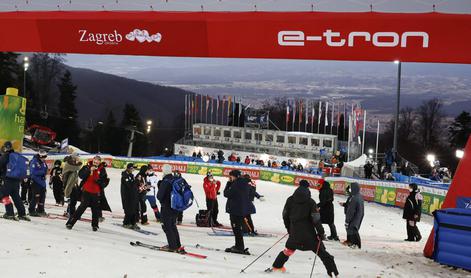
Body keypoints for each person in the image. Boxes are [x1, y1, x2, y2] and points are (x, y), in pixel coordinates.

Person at [267, 180, 339, 277]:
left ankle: (277, 266)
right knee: (322, 252)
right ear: (308, 188)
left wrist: (289, 229)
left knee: (289, 250)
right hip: (309, 236)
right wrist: (321, 233)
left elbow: (285, 215)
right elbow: (316, 219)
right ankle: (333, 272)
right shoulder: (310, 202)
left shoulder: (290, 200)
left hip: (295, 233)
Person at [66, 156, 108, 231]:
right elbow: (81, 175)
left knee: (95, 209)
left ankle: (95, 225)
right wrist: (89, 170)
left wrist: (99, 181)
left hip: (96, 192)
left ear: (99, 162)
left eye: (97, 162)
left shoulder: (102, 169)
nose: (96, 163)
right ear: (93, 161)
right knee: (82, 207)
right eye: (95, 161)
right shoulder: (87, 166)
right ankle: (71, 222)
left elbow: (105, 181)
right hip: (86, 191)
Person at [157, 164, 184, 253]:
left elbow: (159, 196)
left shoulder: (165, 181)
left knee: (167, 227)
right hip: (175, 207)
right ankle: (177, 244)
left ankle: (172, 246)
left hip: (167, 208)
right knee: (173, 226)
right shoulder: (175, 179)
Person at [0, 141, 30, 221]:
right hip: (16, 180)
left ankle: (10, 213)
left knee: (4, 196)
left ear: (5, 148)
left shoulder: (5, 156)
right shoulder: (17, 155)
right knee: (16, 197)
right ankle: (22, 213)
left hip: (7, 180)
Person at [224, 169, 251, 255]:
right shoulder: (243, 183)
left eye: (230, 176)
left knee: (236, 229)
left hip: (236, 210)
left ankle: (239, 247)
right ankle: (238, 246)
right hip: (240, 209)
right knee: (237, 229)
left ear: (234, 176)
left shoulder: (237, 184)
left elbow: (226, 194)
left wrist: (228, 184)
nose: (229, 178)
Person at [344, 182, 364, 249]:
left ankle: (356, 244)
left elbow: (350, 211)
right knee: (353, 230)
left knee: (352, 230)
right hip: (358, 216)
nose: (350, 189)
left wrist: (347, 220)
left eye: (351, 188)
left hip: (354, 217)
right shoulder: (359, 196)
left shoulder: (354, 198)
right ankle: (353, 243)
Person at [28, 150, 49, 217]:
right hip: (35, 182)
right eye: (43, 157)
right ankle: (31, 210)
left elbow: (45, 170)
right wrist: (42, 172)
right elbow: (33, 172)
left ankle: (40, 210)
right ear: (40, 156)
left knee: (42, 197)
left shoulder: (43, 162)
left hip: (42, 182)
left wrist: (45, 174)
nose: (44, 159)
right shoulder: (34, 161)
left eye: (45, 157)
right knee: (35, 197)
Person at [121, 163, 139, 230]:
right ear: (129, 168)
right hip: (127, 196)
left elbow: (133, 185)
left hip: (132, 195)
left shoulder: (131, 175)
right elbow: (129, 185)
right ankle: (126, 223)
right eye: (132, 168)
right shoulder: (125, 176)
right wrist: (136, 181)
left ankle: (133, 223)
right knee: (129, 210)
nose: (133, 169)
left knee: (134, 209)